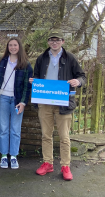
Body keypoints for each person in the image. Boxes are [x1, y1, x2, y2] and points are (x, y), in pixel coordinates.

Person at [30, 29, 86, 181]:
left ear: (63, 41)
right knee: (46, 135)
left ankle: (65, 166)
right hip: (45, 102)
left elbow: (82, 76)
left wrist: (78, 81)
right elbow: (36, 76)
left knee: (64, 137)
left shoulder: (70, 58)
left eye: (57, 40)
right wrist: (33, 81)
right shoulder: (41, 58)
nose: (54, 42)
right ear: (48, 42)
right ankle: (47, 163)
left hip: (64, 102)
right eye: (51, 40)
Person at [0, 38, 33, 169]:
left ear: (19, 47)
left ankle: (13, 156)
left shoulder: (26, 65)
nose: (13, 47)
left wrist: (23, 103)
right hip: (2, 98)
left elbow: (27, 86)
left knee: (15, 130)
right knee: (3, 129)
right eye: (10, 45)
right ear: (7, 47)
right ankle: (4, 156)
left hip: (17, 101)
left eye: (15, 45)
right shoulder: (0, 62)